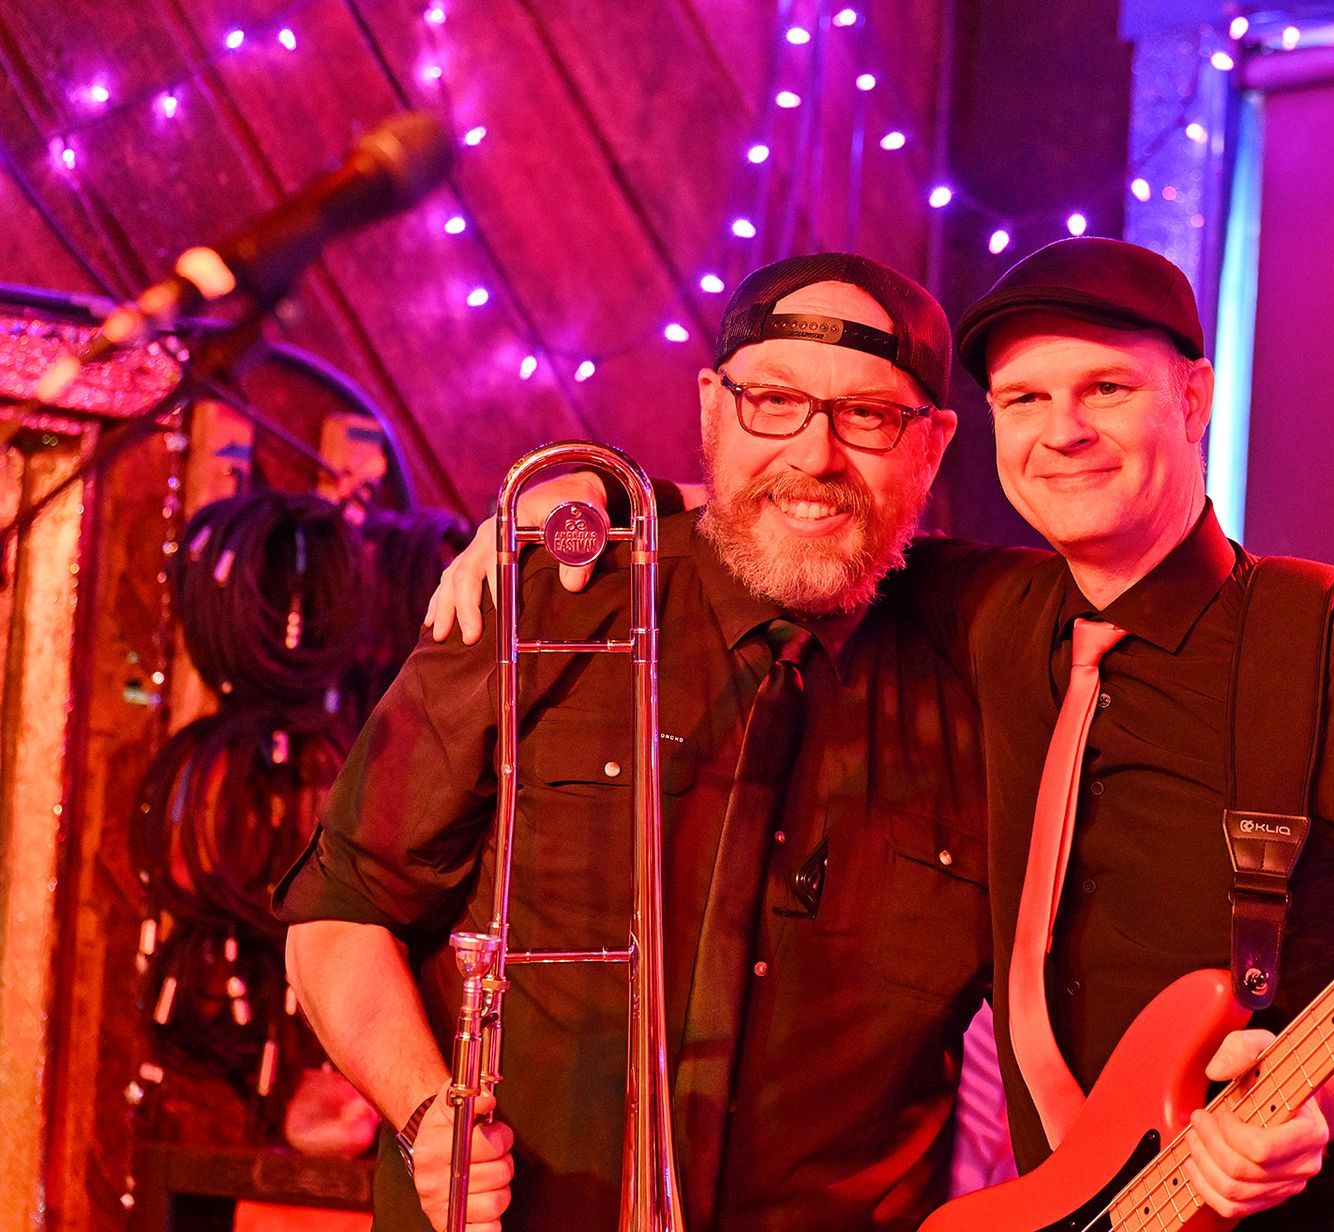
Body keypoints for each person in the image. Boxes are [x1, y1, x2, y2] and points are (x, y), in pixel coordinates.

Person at [427, 240, 1334, 1229]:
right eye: (1025, 402)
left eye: (1108, 390)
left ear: (1193, 399)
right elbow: (807, 504)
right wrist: (591, 510)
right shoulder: (987, 609)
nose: (1063, 432)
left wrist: (1329, 1095)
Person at [277, 253, 996, 1232]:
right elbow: (340, 907)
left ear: (935, 442)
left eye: (867, 414)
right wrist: (424, 1111)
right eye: (773, 400)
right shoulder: (545, 596)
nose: (815, 454)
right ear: (712, 405)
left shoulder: (992, 662)